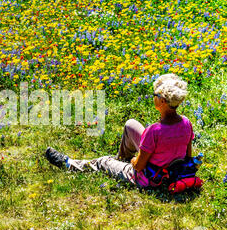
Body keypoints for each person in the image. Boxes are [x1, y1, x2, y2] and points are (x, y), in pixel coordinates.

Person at [45, 73, 195, 188]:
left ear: (162, 101)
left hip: (150, 178)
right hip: (175, 172)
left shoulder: (154, 131)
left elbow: (139, 166)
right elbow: (188, 157)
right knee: (131, 125)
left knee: (103, 162)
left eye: (155, 95)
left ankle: (70, 164)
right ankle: (120, 160)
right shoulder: (186, 123)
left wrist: (134, 160)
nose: (152, 97)